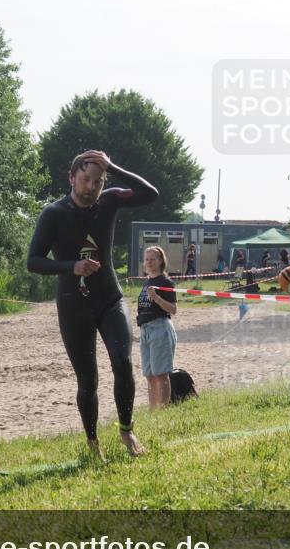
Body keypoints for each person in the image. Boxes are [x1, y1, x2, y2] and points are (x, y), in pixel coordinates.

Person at [27, 149, 157, 458]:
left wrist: (113, 167)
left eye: (98, 181)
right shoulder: (54, 213)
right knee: (88, 380)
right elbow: (33, 261)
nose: (91, 187)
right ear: (71, 178)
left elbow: (149, 193)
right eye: (85, 179)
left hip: (109, 298)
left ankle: (127, 431)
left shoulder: (109, 201)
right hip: (74, 306)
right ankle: (92, 443)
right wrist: (70, 266)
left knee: (122, 363)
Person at [137, 247, 178, 410]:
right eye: (146, 259)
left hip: (159, 327)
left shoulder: (166, 282)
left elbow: (173, 309)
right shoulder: (146, 281)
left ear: (160, 261)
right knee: (149, 374)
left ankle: (164, 410)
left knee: (161, 374)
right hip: (145, 330)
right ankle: (153, 410)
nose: (148, 262)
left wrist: (157, 298)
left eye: (152, 259)